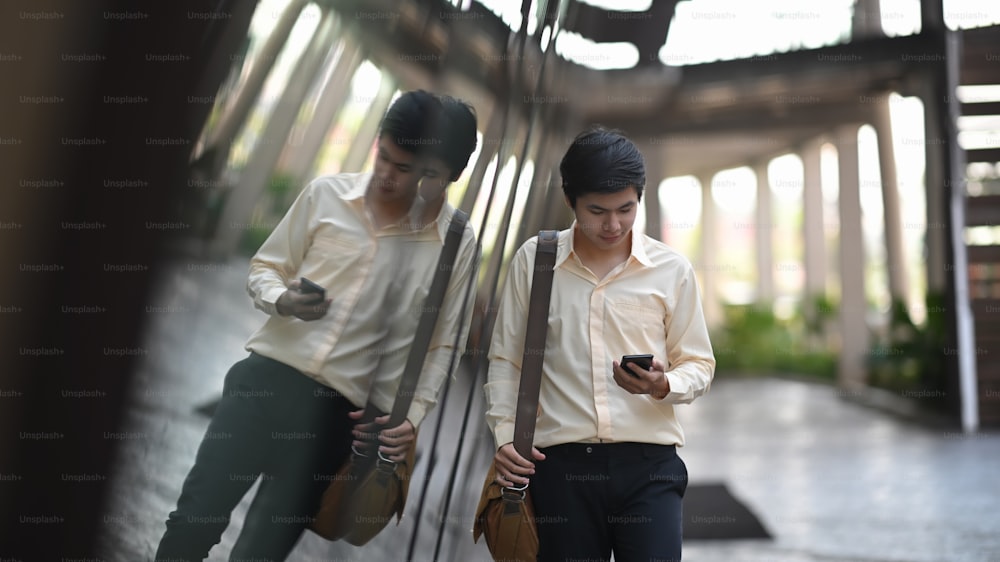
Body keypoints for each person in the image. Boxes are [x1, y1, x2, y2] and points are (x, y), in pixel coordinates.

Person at [155, 91, 479, 561]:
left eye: (412, 170)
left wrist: (410, 417)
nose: (388, 176)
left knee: (261, 553)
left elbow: (442, 345)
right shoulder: (327, 195)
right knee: (191, 523)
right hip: (264, 382)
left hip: (336, 421)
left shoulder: (455, 246)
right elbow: (265, 267)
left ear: (449, 173)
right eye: (383, 156)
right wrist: (283, 299)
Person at [484, 127, 715, 561]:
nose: (613, 224)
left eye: (626, 209)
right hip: (560, 469)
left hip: (650, 467)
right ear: (570, 201)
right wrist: (504, 437)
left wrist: (661, 385)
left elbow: (700, 365)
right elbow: (505, 361)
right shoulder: (536, 261)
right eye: (597, 211)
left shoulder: (671, 270)